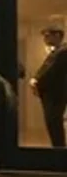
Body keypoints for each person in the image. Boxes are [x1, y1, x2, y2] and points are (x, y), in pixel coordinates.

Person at [31, 20, 66, 148]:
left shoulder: (63, 52)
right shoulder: (56, 52)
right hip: (52, 95)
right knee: (52, 123)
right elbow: (44, 69)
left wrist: (36, 81)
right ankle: (58, 150)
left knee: (54, 122)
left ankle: (59, 152)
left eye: (47, 35)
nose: (45, 39)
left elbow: (50, 71)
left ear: (57, 35)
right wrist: (35, 79)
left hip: (55, 95)